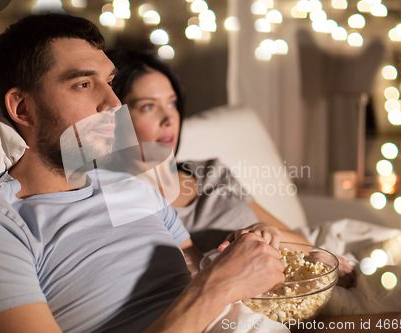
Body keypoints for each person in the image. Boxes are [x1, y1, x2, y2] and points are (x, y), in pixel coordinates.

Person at [0, 14, 286, 333]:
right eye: (83, 84)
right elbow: (208, 289)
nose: (114, 104)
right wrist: (219, 286)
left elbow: (195, 270)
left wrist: (239, 256)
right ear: (22, 107)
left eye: (110, 82)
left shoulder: (127, 184)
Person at [106, 48, 355, 284]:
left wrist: (266, 231)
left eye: (172, 103)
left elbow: (299, 241)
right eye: (148, 106)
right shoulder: (116, 201)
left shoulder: (210, 172)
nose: (169, 118)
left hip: (293, 295)